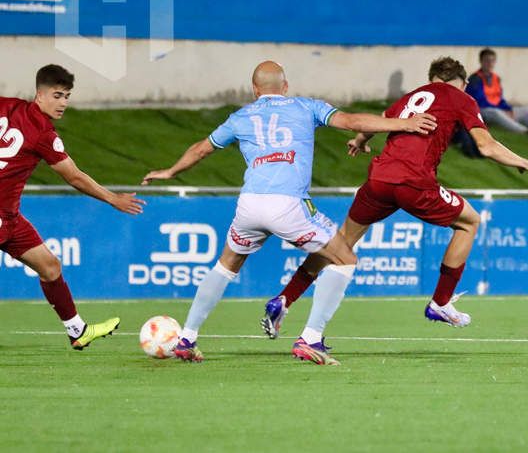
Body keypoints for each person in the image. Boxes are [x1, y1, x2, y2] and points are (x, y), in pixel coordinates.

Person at [141, 60, 437, 363]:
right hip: (288, 205)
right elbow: (351, 121)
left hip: (250, 204)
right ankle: (311, 338)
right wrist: (403, 123)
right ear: (285, 86)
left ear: (255, 90)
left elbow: (202, 148)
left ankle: (187, 338)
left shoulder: (240, 116)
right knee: (344, 257)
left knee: (226, 265)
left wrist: (171, 172)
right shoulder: (305, 107)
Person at [263, 57, 528, 365]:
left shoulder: (412, 96)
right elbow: (487, 146)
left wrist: (359, 140)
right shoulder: (460, 97)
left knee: (340, 244)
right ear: (461, 82)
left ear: (432, 78)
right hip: (414, 182)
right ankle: (440, 301)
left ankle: (284, 298)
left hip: (380, 180)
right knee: (470, 222)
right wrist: (525, 161)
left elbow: (382, 118)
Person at [0, 64, 145, 349]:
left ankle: (77, 330)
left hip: (10, 217)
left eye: (67, 95)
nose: (63, 102)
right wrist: (113, 198)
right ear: (39, 95)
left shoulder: (6, 105)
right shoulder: (43, 133)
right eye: (57, 95)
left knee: (50, 266)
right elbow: (74, 177)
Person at [465, 48, 528, 139]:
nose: (490, 63)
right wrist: (502, 110)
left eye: (492, 60)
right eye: (487, 60)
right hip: (481, 112)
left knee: (526, 110)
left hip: (497, 110)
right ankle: (527, 132)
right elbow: (480, 102)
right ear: (481, 61)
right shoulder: (475, 79)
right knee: (495, 112)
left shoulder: (496, 78)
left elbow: (500, 99)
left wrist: (508, 109)